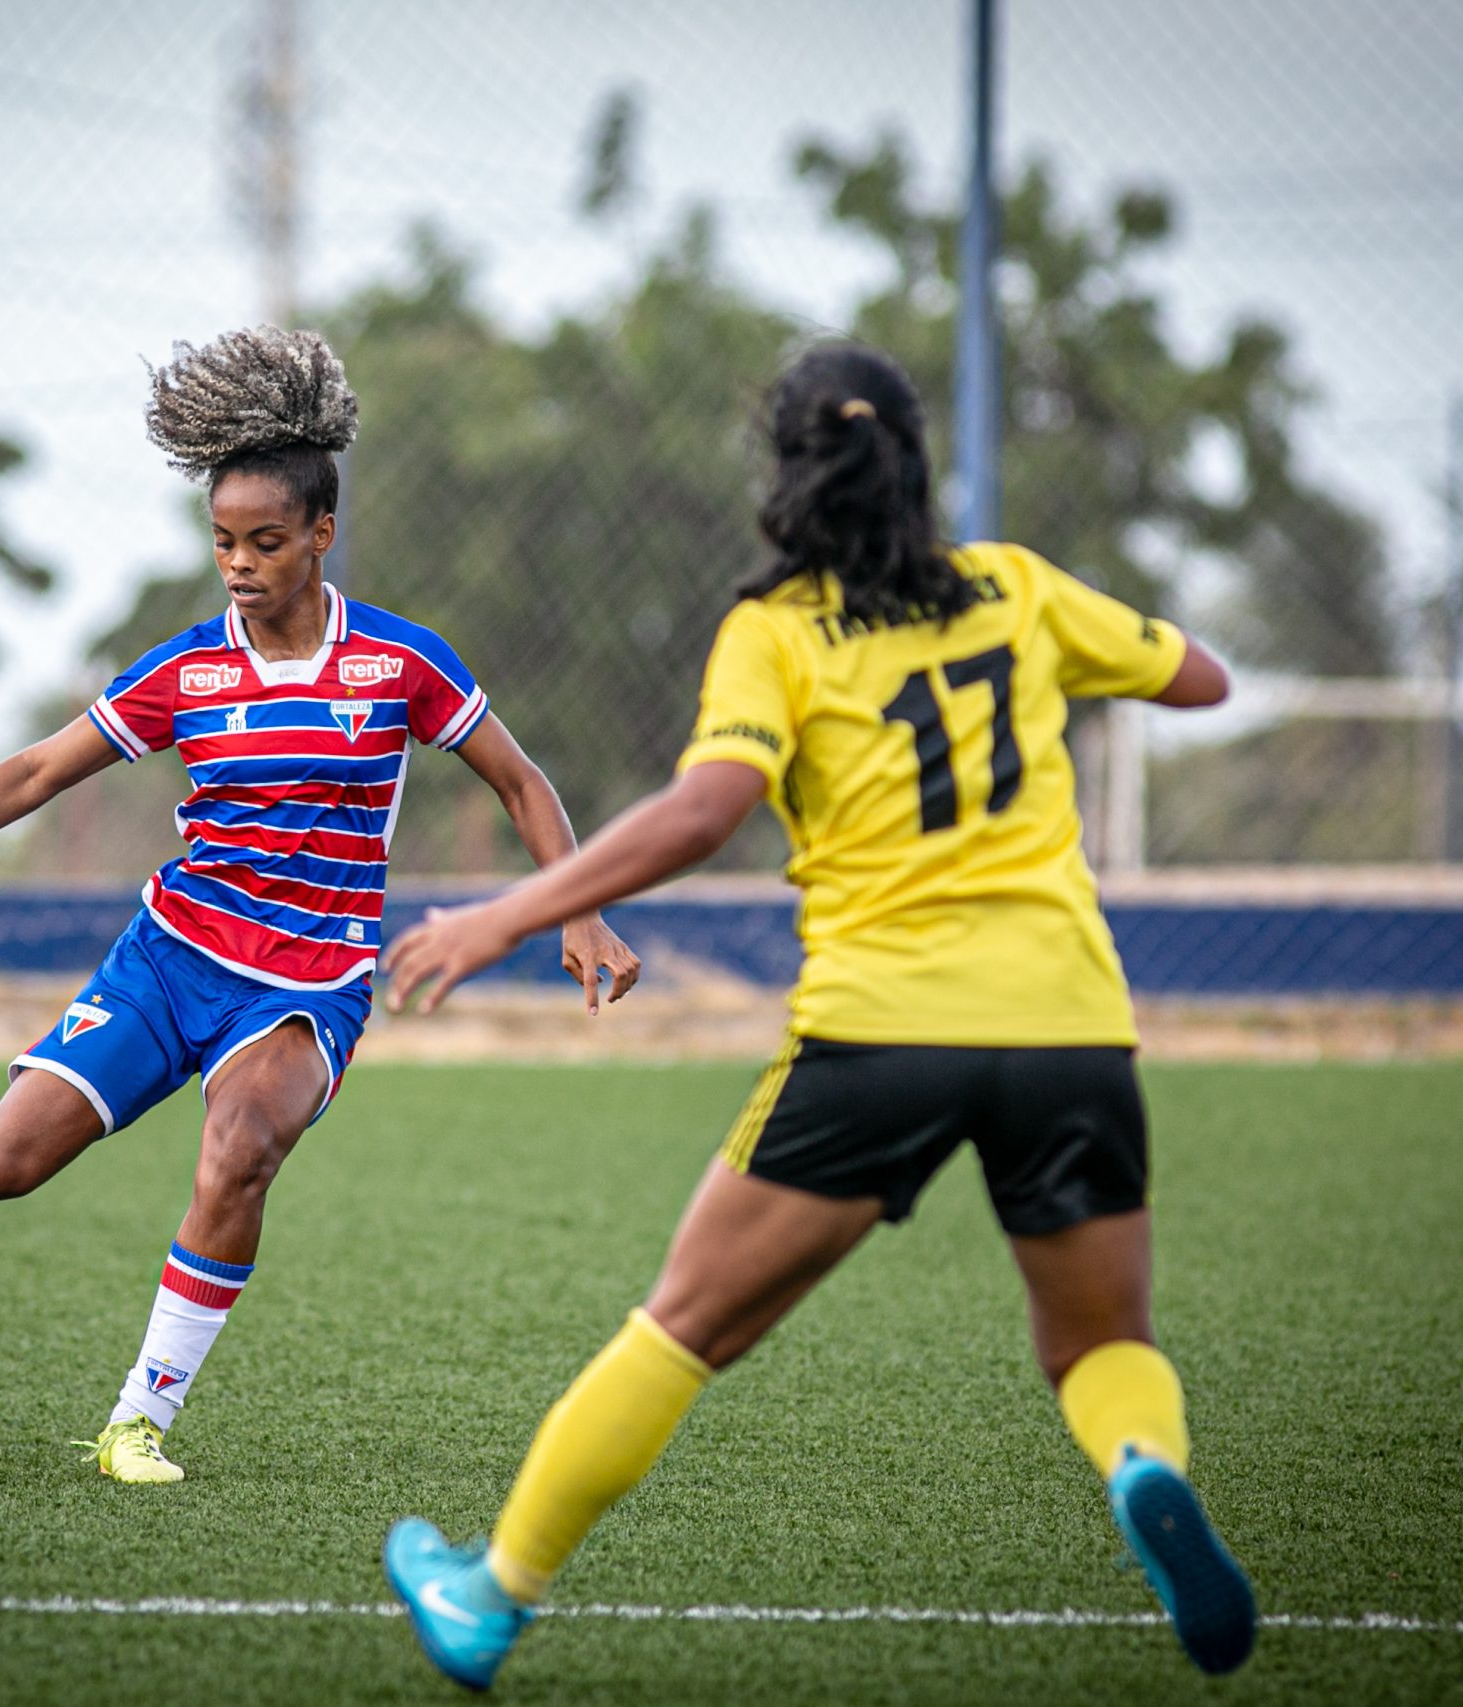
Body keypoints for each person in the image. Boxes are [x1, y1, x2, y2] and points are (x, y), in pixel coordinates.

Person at [376, 342, 1253, 1685]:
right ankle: (1142, 1464)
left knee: (683, 1325)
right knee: (1102, 1345)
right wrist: (1063, 653)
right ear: (916, 467)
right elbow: (1203, 680)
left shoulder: (775, 630)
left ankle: (491, 1593)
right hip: (1069, 1022)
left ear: (785, 479)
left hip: (882, 1033)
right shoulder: (1017, 589)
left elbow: (703, 808)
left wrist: (507, 911)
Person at [0, 327, 640, 1485]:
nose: (240, 564)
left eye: (265, 541)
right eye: (221, 543)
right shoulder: (185, 674)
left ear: (321, 534)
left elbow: (519, 778)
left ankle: (134, 1424)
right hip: (168, 962)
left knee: (244, 1147)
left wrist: (580, 908)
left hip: (309, 985)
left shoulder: (400, 665)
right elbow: (34, 773)